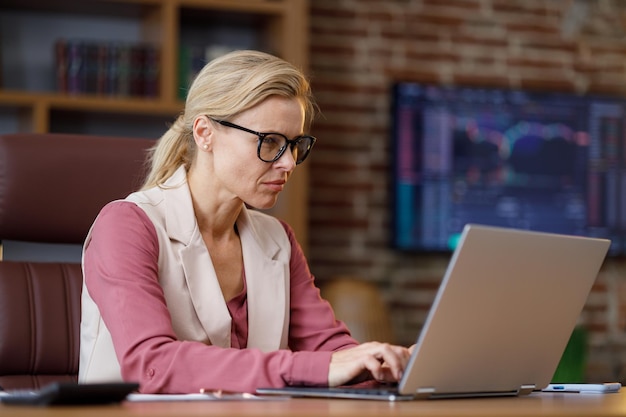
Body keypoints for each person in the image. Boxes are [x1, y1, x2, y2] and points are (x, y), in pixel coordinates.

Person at [79, 49, 411, 394]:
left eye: (295, 144)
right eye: (270, 142)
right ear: (204, 132)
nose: (288, 163)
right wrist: (322, 366)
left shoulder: (277, 238)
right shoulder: (126, 225)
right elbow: (151, 364)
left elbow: (329, 348)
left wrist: (390, 364)